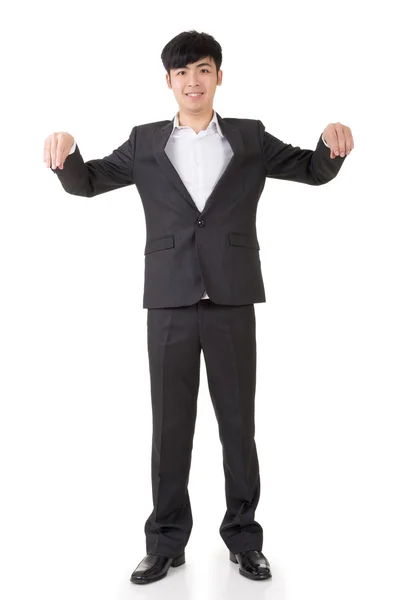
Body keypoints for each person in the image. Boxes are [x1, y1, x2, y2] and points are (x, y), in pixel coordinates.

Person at [43, 30, 353, 584]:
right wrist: (67, 149)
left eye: (203, 70)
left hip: (232, 296)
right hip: (168, 300)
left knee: (238, 425)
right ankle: (165, 543)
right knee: (170, 427)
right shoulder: (143, 143)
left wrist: (332, 144)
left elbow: (311, 168)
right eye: (182, 73)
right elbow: (86, 184)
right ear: (168, 81)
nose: (193, 81)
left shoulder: (249, 138)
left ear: (218, 77)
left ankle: (243, 539)